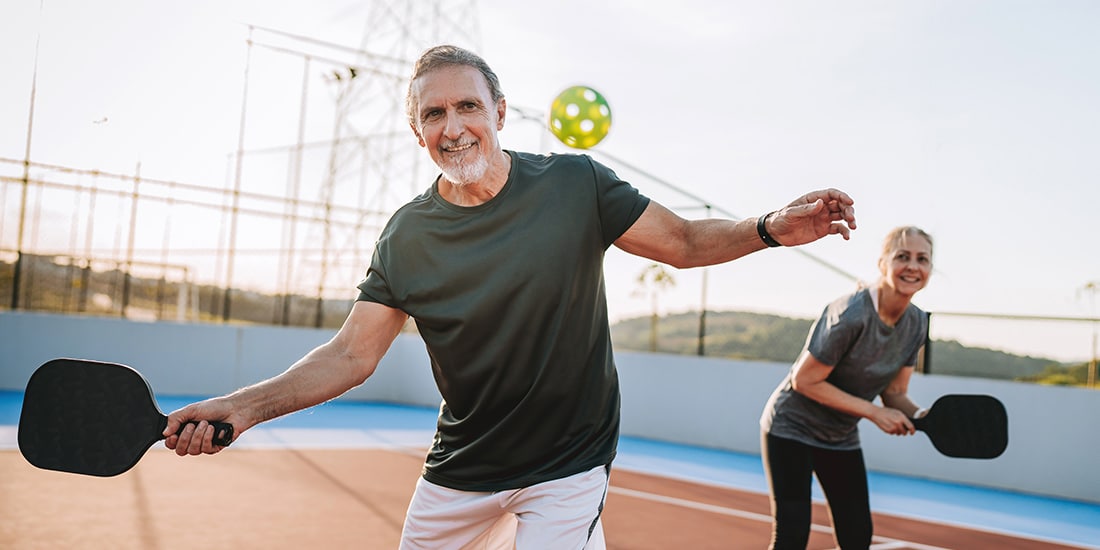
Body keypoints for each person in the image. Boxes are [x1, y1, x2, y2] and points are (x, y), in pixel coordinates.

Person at [164, 44, 858, 549]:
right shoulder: (407, 235)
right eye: (434, 114)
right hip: (463, 467)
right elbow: (350, 355)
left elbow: (681, 242)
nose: (455, 125)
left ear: (499, 111)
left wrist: (771, 228)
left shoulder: (575, 186)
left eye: (468, 105)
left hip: (569, 463)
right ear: (418, 134)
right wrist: (242, 408)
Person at [758, 226, 934, 550]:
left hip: (839, 436)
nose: (913, 266)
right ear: (883, 264)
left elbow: (895, 392)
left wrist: (924, 416)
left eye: (922, 259)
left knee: (857, 539)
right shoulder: (851, 313)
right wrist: (874, 414)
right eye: (902, 257)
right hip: (791, 428)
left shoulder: (918, 323)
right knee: (791, 538)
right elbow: (805, 380)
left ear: (930, 269)